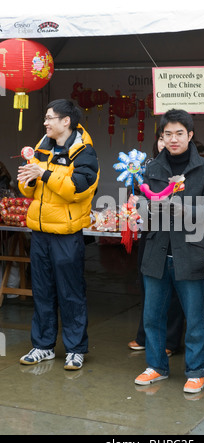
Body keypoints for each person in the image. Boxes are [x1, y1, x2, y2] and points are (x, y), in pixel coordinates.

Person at [134, 109, 204, 393]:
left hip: (190, 251)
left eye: (179, 134)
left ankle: (196, 370)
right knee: (152, 315)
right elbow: (142, 206)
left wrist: (185, 209)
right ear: (161, 137)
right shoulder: (150, 169)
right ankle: (156, 366)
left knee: (195, 316)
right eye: (168, 134)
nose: (173, 139)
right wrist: (136, 211)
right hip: (156, 250)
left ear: (190, 135)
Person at [17, 99, 100, 370]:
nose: (45, 122)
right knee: (42, 291)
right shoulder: (42, 146)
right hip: (40, 232)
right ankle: (43, 346)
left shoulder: (84, 152)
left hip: (66, 233)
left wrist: (44, 173)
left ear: (66, 121)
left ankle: (75, 349)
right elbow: (30, 190)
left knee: (71, 292)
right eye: (45, 117)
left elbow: (78, 188)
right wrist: (27, 178)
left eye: (50, 118)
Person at [128, 128, 185, 355]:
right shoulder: (148, 169)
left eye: (171, 137)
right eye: (162, 138)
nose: (165, 142)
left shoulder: (184, 171)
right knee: (148, 287)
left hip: (177, 235)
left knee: (173, 291)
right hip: (151, 235)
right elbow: (142, 201)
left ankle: (170, 341)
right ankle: (145, 336)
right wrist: (135, 202)